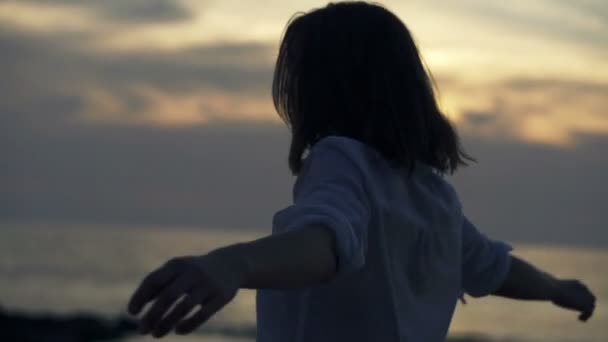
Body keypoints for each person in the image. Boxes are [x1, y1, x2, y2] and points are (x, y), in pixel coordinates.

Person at [125, 2, 596, 341]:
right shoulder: (434, 196)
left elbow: (329, 241)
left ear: (318, 89)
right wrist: (558, 289)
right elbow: (491, 267)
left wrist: (234, 262)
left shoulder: (341, 158)